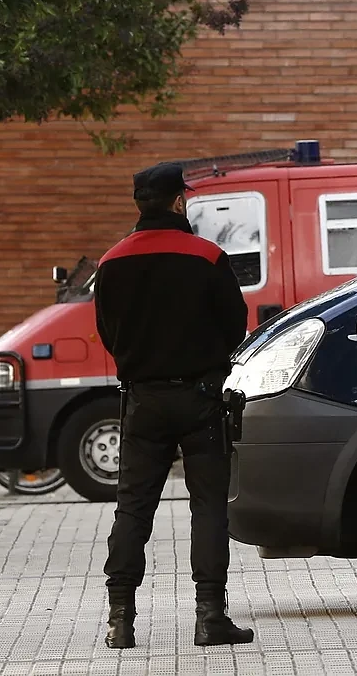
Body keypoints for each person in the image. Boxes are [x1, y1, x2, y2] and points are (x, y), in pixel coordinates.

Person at [94, 162, 253, 649]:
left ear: (140, 202)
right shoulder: (207, 256)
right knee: (208, 508)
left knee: (133, 509)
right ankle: (210, 617)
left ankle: (120, 619)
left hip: (142, 401)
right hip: (200, 397)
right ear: (179, 201)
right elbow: (235, 325)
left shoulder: (111, 262)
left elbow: (107, 333)